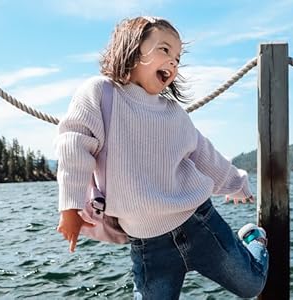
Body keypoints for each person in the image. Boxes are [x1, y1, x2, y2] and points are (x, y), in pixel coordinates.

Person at [54, 16, 269, 299]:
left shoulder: (175, 114)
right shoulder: (99, 93)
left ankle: (253, 239)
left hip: (199, 224)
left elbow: (204, 156)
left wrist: (237, 183)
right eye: (165, 50)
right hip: (148, 245)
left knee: (252, 284)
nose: (173, 62)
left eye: (178, 58)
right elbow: (73, 146)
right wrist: (69, 208)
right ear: (131, 48)